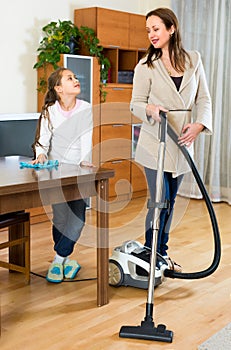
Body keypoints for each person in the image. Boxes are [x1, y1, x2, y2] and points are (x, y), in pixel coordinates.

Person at [130, 8, 212, 271]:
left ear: (171, 28)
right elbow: (135, 104)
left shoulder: (194, 60)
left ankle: (159, 254)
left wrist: (200, 125)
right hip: (156, 141)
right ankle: (152, 253)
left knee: (171, 201)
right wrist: (151, 110)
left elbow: (203, 99)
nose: (152, 34)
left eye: (156, 28)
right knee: (159, 200)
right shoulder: (145, 66)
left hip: (182, 143)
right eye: (148, 30)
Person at [32, 67, 94, 283]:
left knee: (77, 217)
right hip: (55, 173)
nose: (76, 80)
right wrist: (40, 155)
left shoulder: (85, 108)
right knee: (59, 218)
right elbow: (43, 140)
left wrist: (86, 162)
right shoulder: (50, 111)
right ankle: (66, 260)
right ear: (59, 88)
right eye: (70, 78)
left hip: (78, 171)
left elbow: (87, 138)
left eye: (76, 77)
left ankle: (58, 258)